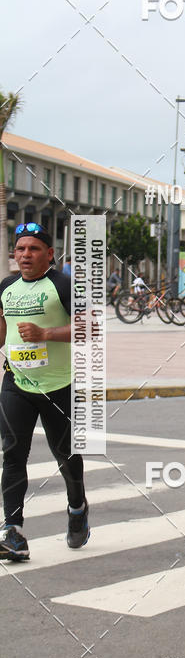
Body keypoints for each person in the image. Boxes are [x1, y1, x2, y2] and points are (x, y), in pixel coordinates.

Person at [0, 223, 89, 561]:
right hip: (16, 383)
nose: (25, 254)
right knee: (12, 454)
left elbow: (91, 327)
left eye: (34, 249)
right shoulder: (6, 287)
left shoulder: (63, 285)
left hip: (60, 384)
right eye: (21, 249)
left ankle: (77, 507)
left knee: (64, 454)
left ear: (49, 254)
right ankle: (13, 531)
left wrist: (45, 333)